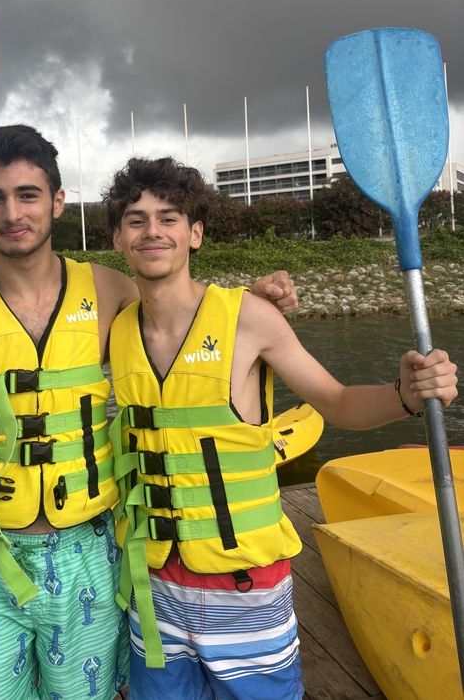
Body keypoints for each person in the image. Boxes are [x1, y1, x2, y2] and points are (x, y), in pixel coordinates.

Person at [0, 124, 298, 700]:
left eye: (28, 194)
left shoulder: (109, 291)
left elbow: (187, 311)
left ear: (57, 202)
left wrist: (254, 302)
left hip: (90, 546)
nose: (13, 212)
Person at [102, 156, 459, 700]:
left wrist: (404, 396)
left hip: (245, 585)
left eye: (169, 217)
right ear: (117, 240)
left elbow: (336, 402)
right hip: (153, 586)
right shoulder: (116, 328)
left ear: (195, 234)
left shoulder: (249, 318)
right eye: (137, 219)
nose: (153, 230)